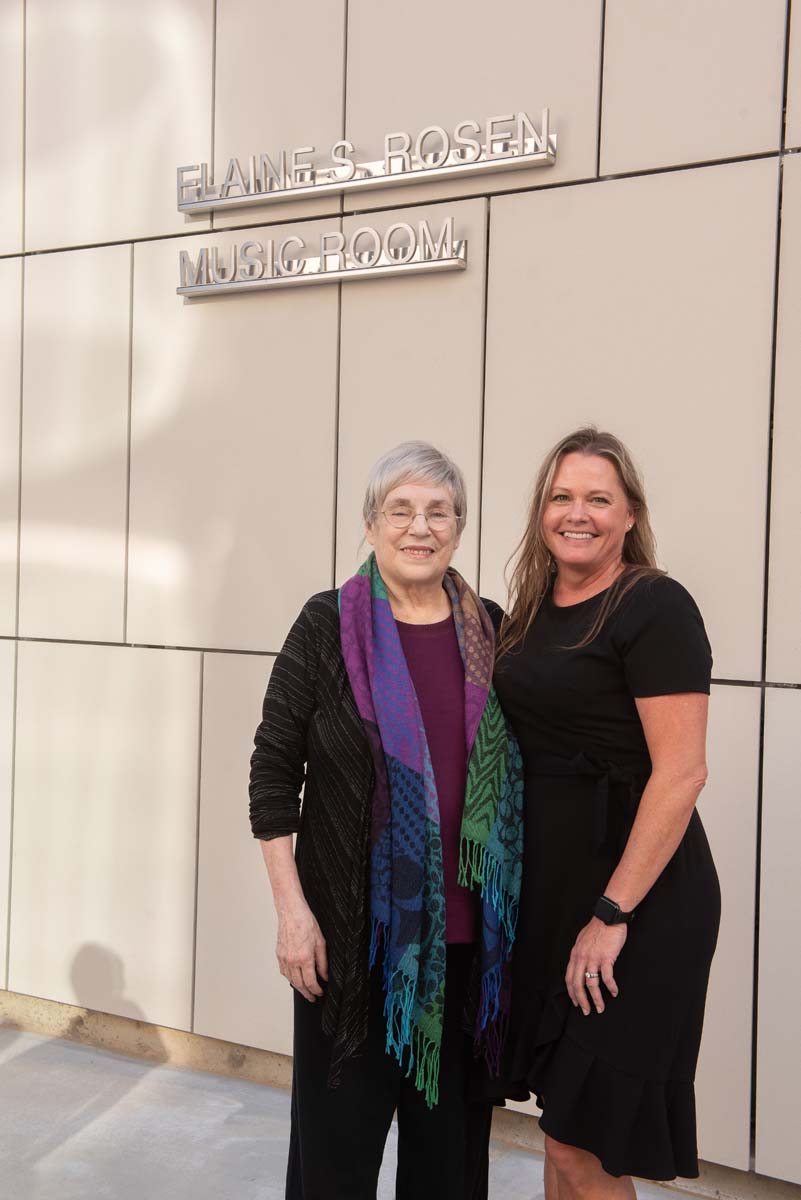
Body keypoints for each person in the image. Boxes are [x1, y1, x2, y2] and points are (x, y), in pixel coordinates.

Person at [249, 441, 524, 1200]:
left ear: (460, 529)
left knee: (449, 1171)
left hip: (465, 954)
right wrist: (291, 914)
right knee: (334, 1164)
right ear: (370, 525)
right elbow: (273, 775)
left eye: (438, 511)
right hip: (348, 948)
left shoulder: (491, 630)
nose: (419, 526)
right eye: (399, 509)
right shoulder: (325, 625)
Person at [493, 426, 720, 1196]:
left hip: (637, 905)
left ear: (629, 515)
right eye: (561, 496)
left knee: (581, 1147)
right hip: (554, 899)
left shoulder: (652, 604)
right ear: (540, 511)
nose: (576, 512)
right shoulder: (531, 609)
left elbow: (681, 773)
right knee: (561, 1133)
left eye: (598, 497)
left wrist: (611, 912)